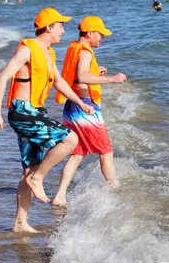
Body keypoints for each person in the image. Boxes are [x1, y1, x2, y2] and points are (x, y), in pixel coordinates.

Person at [0, 8, 95, 233]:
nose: (64, 31)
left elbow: (59, 82)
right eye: (61, 26)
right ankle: (39, 179)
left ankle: (20, 223)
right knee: (70, 139)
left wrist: (81, 102)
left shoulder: (49, 52)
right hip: (22, 112)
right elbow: (1, 78)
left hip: (34, 110)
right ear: (49, 28)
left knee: (28, 169)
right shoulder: (27, 50)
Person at [52, 16, 127, 207]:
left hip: (71, 106)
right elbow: (82, 75)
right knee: (106, 152)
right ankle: (116, 193)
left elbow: (78, 75)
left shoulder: (73, 47)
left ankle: (60, 195)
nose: (101, 38)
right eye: (100, 34)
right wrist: (112, 79)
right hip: (85, 107)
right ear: (90, 33)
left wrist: (96, 71)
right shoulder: (85, 51)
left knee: (77, 154)